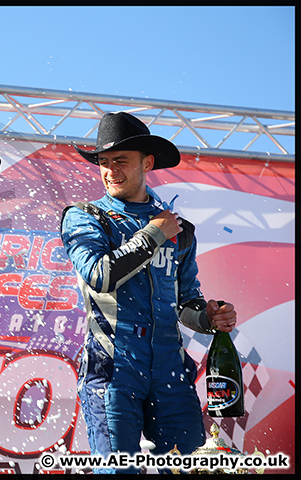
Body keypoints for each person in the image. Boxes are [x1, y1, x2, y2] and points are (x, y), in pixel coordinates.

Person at [60, 111, 238, 474]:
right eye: (104, 162)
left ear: (147, 162)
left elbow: (186, 302)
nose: (111, 171)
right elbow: (99, 275)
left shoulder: (181, 230)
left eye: (120, 161)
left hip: (170, 369)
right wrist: (154, 233)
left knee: (185, 468)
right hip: (113, 369)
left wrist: (209, 317)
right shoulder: (85, 216)